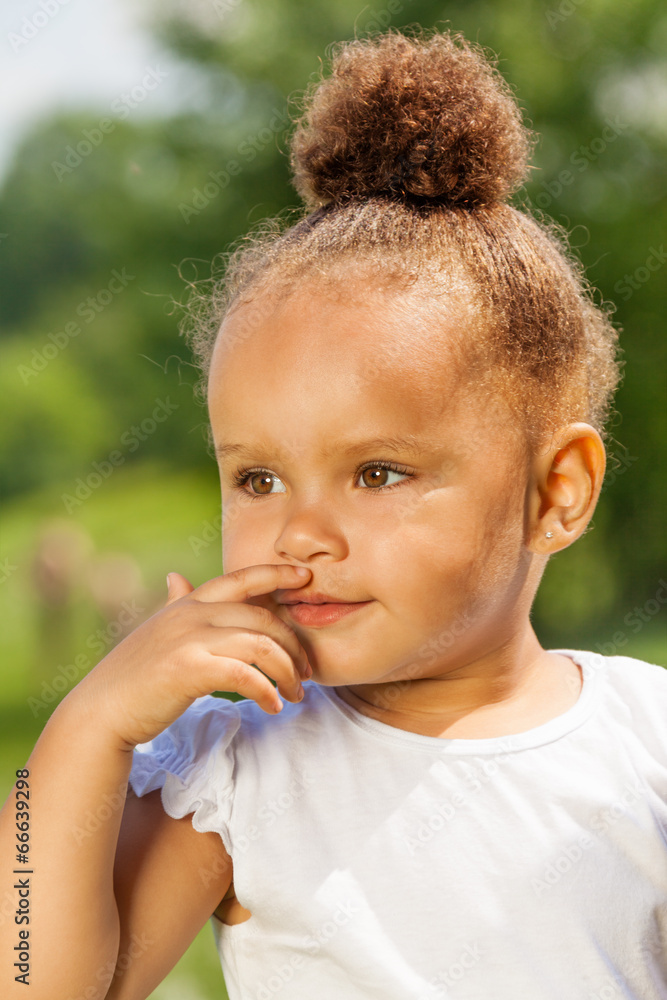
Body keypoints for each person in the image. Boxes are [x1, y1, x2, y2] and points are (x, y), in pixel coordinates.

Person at [2, 25, 666, 1000]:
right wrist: (90, 725)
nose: (300, 533)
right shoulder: (239, 773)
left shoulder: (644, 741)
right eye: (259, 480)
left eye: (378, 472)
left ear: (552, 491)